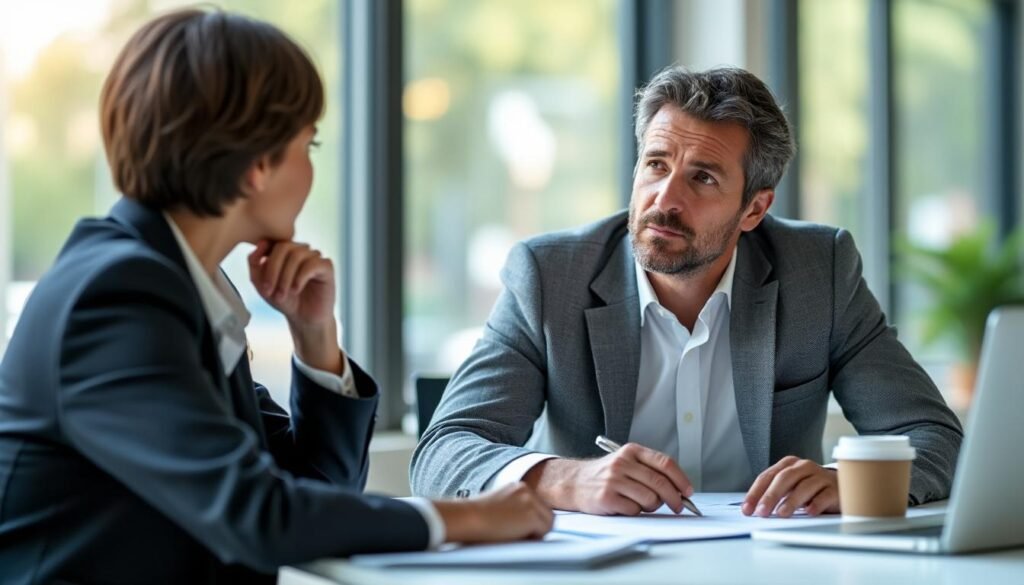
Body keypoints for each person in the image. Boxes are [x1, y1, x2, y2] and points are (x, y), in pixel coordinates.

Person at [0, 9, 551, 584]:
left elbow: (314, 486)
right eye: (308, 145)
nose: (310, 169)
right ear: (258, 165)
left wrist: (316, 339)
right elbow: (256, 513)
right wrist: (464, 517)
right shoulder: (119, 294)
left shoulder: (185, 284)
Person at [411, 66, 963, 519]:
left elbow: (934, 436)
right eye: (656, 164)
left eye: (703, 178)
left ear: (754, 208)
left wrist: (849, 482)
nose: (664, 199)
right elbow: (443, 451)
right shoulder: (550, 276)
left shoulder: (819, 271)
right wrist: (568, 479)